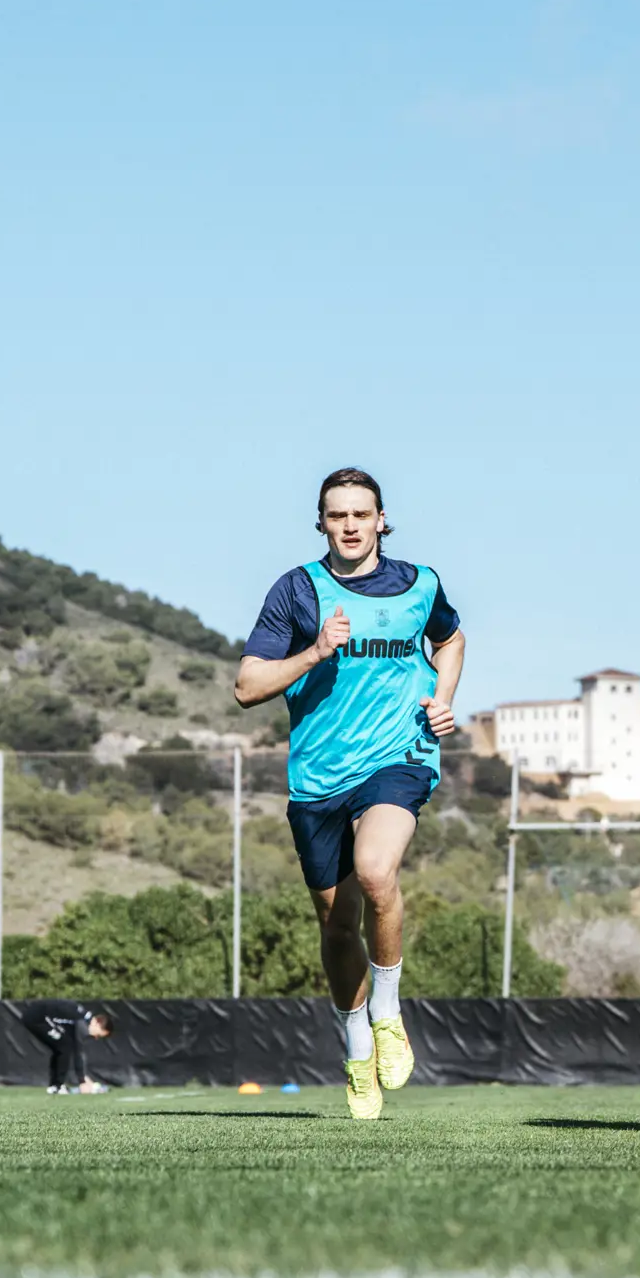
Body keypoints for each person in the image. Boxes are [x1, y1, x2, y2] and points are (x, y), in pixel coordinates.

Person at [235, 468, 463, 1120]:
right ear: (322, 523)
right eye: (338, 515)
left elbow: (450, 639)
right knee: (337, 927)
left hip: (398, 756)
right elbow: (247, 686)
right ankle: (358, 1048)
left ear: (382, 520)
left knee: (376, 871)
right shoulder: (297, 590)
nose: (351, 525)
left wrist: (442, 698)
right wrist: (313, 652)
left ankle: (387, 1013)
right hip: (318, 779)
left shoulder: (421, 584)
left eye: (362, 513)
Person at [22, 999, 113, 1093]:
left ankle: (55, 1086)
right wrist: (82, 1080)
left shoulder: (83, 1018)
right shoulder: (82, 1022)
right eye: (98, 1035)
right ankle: (57, 1086)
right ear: (96, 1023)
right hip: (36, 1017)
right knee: (64, 1046)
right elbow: (78, 1051)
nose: (96, 1038)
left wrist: (83, 1078)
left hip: (38, 1014)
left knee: (62, 1046)